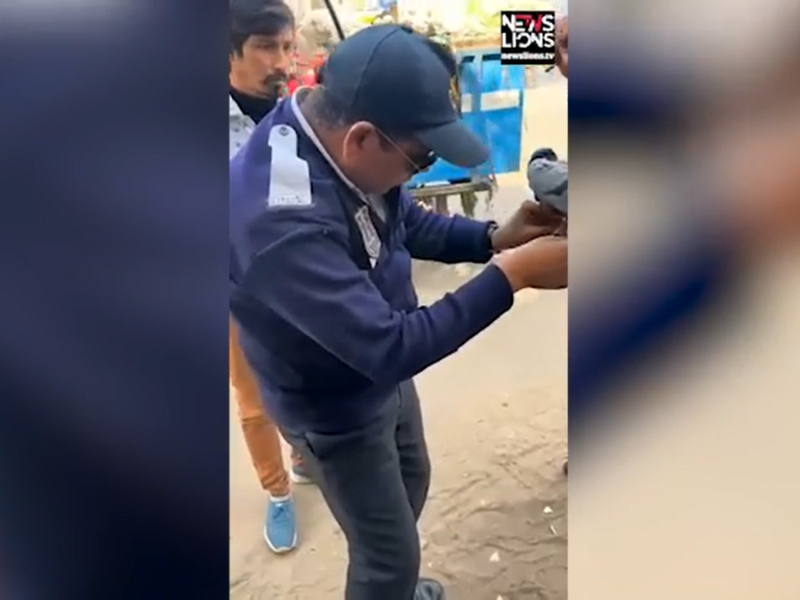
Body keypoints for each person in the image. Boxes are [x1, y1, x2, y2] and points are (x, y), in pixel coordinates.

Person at [229, 24, 568, 599]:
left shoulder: (323, 132)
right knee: (387, 555)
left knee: (412, 477)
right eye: (422, 157)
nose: (423, 169)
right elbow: (388, 347)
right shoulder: (281, 223)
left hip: (376, 365)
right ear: (363, 138)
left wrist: (491, 238)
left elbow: (401, 221)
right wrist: (514, 275)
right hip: (334, 398)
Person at [229, 0, 313, 555]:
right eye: (265, 47)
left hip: (300, 276)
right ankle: (277, 491)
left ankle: (307, 455)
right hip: (232, 286)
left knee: (303, 376)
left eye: (287, 46)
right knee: (254, 397)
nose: (281, 61)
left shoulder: (300, 112)